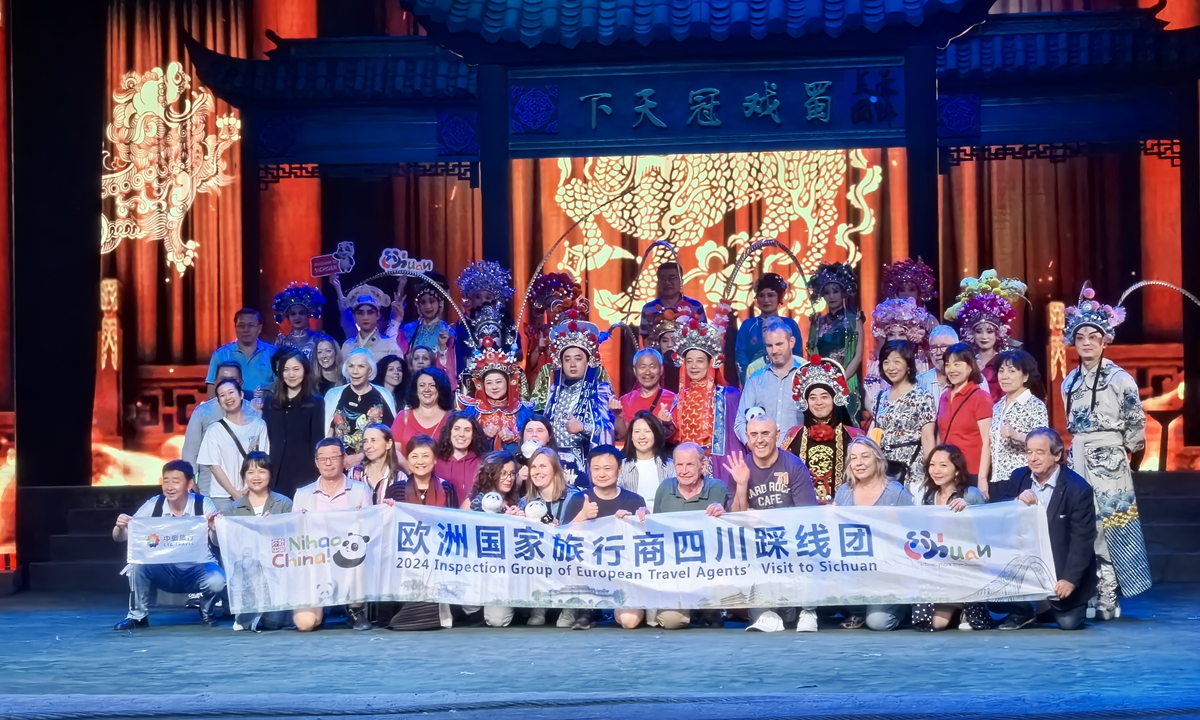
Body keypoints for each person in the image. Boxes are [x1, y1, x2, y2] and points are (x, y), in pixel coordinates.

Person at [1059, 285, 1152, 617]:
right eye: (1080, 336)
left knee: (1110, 523)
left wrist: (1124, 451)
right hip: (1078, 454)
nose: (1086, 342)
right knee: (1081, 523)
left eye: (1093, 337)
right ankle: (1089, 589)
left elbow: (1134, 420)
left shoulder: (1120, 378)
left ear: (1104, 340)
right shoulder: (1068, 380)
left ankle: (1110, 592)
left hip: (1109, 455)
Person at [994, 428, 1097, 631]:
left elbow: (1082, 540)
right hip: (1024, 561)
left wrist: (1070, 579)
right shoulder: (1019, 477)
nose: (1033, 458)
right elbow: (999, 509)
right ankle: (1024, 610)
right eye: (1029, 452)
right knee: (989, 596)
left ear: (1057, 455)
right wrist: (1016, 501)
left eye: (1040, 452)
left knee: (1069, 624)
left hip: (1059, 568)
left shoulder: (1078, 489)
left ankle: (1048, 606)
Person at [723, 414, 819, 633]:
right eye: (754, 435)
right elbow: (737, 519)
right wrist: (741, 484)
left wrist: (766, 520)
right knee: (763, 615)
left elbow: (807, 516)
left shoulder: (794, 466)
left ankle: (808, 610)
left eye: (765, 433)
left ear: (777, 435)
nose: (760, 440)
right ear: (747, 438)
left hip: (791, 542)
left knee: (810, 545)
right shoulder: (741, 467)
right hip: (757, 546)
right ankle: (774, 612)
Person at [112, 460, 223, 631]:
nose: (170, 486)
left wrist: (214, 528)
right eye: (166, 480)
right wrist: (120, 527)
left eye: (176, 481)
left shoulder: (203, 504)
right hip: (164, 569)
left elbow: (216, 542)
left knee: (218, 581)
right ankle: (138, 616)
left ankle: (207, 610)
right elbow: (121, 536)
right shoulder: (154, 504)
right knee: (136, 565)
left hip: (197, 569)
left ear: (190, 483)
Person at [632, 442, 728, 630]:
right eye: (679, 465)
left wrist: (725, 513)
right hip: (674, 571)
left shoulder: (718, 489)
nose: (683, 471)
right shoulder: (665, 488)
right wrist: (644, 517)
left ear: (703, 464)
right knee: (671, 621)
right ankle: (693, 611)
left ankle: (708, 609)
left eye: (690, 465)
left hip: (708, 568)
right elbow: (656, 531)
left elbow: (732, 532)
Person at [292, 437, 374, 632]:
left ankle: (355, 610)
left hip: (349, 559)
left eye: (334, 457)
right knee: (305, 624)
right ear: (316, 462)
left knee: (360, 555)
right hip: (315, 563)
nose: (328, 463)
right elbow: (294, 537)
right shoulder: (303, 494)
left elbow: (371, 528)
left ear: (344, 459)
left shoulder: (360, 490)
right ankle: (320, 609)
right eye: (323, 458)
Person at [833, 437, 913, 631]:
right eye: (853, 458)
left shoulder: (896, 492)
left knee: (878, 623)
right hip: (855, 569)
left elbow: (913, 535)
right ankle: (859, 610)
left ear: (877, 459)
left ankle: (905, 609)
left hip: (890, 574)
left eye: (864, 456)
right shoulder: (844, 492)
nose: (858, 463)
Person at [910, 445, 991, 632]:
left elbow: (987, 530)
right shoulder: (928, 496)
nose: (936, 470)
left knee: (973, 624)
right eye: (932, 465)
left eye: (943, 465)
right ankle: (956, 607)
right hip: (937, 568)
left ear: (956, 469)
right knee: (934, 624)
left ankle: (966, 607)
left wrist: (971, 511)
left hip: (966, 566)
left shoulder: (971, 494)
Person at [535, 314, 616, 489]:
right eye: (567, 359)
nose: (572, 364)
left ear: (588, 362)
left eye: (578, 359)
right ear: (561, 363)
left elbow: (608, 431)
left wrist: (583, 428)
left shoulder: (599, 392)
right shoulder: (553, 393)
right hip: (554, 465)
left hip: (583, 465)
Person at [571, 445, 647, 630]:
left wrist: (643, 521)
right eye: (596, 469)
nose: (602, 474)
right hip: (588, 574)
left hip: (625, 576)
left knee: (629, 621)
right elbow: (561, 540)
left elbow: (645, 543)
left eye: (607, 468)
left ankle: (620, 610)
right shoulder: (578, 499)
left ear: (619, 470)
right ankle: (591, 611)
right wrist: (582, 516)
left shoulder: (635, 500)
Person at [668, 303, 744, 488]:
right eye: (689, 361)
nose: (694, 366)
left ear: (711, 363)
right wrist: (664, 423)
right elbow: (672, 437)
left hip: (719, 465)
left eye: (700, 361)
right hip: (686, 468)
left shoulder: (729, 396)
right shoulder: (679, 398)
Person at [224, 451, 293, 632]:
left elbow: (293, 538)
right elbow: (223, 544)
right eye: (250, 472)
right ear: (244, 476)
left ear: (270, 474)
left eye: (262, 471)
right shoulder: (233, 509)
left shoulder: (284, 504)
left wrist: (275, 527)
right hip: (248, 577)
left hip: (277, 573)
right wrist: (215, 529)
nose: (256, 477)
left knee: (273, 623)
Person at [521, 447, 586, 628]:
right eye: (534, 467)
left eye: (543, 466)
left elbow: (583, 532)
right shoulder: (525, 502)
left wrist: (561, 530)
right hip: (540, 556)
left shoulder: (575, 496)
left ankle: (570, 607)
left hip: (569, 554)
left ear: (555, 469)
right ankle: (539, 605)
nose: (537, 471)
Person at [785, 355, 863, 503]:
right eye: (813, 397)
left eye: (824, 396)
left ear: (834, 399)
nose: (818, 402)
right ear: (806, 402)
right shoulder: (794, 436)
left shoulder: (853, 436)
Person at [943, 270, 1027, 404]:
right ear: (971, 333)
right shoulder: (967, 360)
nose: (984, 336)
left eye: (989, 331)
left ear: (998, 333)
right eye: (978, 331)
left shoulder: (1006, 361)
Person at [867, 340, 936, 497]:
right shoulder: (879, 397)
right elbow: (874, 435)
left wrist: (931, 471)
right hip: (884, 470)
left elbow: (928, 438)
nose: (891, 367)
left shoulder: (922, 396)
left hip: (913, 469)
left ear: (908, 364)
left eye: (897, 361)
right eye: (886, 362)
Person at [462, 451, 523, 627]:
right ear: (491, 474)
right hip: (477, 569)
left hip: (505, 574)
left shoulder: (517, 501)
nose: (508, 478)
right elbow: (461, 533)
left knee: (498, 620)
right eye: (503, 473)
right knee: (469, 607)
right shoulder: (474, 501)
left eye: (512, 473)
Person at [458, 313, 533, 454]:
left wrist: (515, 437)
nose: (494, 386)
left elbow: (534, 438)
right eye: (489, 383)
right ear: (482, 385)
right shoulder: (473, 411)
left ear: (509, 383)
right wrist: (481, 434)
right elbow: (459, 438)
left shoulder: (521, 410)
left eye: (499, 382)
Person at [183, 362, 259, 499]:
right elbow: (191, 448)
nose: (228, 383)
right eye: (223, 379)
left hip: (248, 487)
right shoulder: (203, 412)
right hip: (212, 489)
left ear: (241, 383)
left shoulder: (254, 412)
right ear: (215, 382)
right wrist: (190, 477)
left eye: (233, 380)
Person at [197, 378, 271, 513]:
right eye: (222, 395)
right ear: (219, 401)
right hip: (222, 497)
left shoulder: (258, 425)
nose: (227, 398)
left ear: (241, 394)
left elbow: (263, 461)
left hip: (254, 492)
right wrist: (235, 492)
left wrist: (252, 488)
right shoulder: (214, 430)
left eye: (231, 392)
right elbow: (214, 466)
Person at [262, 348, 325, 498]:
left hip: (304, 472)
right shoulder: (271, 403)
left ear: (305, 370)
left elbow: (317, 440)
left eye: (296, 369)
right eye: (286, 370)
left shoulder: (315, 402)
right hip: (275, 471)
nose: (291, 375)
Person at [805, 262, 865, 421]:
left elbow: (858, 355)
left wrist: (840, 380)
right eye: (827, 292)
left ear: (844, 293)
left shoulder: (853, 319)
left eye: (835, 291)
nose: (831, 296)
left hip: (846, 381)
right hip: (821, 383)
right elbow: (812, 355)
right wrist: (823, 382)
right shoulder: (817, 322)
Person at [989, 349, 1049, 502]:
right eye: (1001, 371)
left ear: (1025, 376)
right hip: (996, 478)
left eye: (1012, 371)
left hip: (1022, 478)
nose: (1004, 376)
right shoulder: (997, 406)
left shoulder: (1035, 405)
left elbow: (1044, 442)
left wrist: (1017, 435)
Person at [735, 317, 803, 445]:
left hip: (797, 455)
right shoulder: (755, 379)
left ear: (791, 342)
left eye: (779, 344)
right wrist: (752, 446)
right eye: (769, 346)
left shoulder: (805, 375)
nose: (774, 351)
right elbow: (740, 421)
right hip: (763, 458)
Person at [936, 343, 992, 495]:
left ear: (969, 366)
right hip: (948, 472)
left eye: (957, 364)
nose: (951, 370)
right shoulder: (944, 397)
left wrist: (982, 478)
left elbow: (987, 441)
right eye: (948, 365)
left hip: (971, 473)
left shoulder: (981, 397)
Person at [324, 348, 398, 462]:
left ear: (370, 370)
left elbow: (389, 435)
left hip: (374, 462)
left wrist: (360, 456)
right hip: (339, 462)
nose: (355, 371)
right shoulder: (333, 395)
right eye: (351, 366)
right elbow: (328, 433)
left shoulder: (383, 395)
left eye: (361, 366)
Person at [734, 273, 803, 383]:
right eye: (761, 295)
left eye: (771, 295)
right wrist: (749, 382)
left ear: (779, 297)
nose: (766, 300)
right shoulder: (748, 325)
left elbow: (797, 357)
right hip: (756, 382)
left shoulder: (790, 325)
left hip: (787, 381)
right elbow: (741, 358)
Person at [862, 297, 933, 403]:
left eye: (901, 334)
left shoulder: (921, 363)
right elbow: (870, 400)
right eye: (891, 334)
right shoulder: (877, 365)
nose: (896, 339)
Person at [454, 260, 519, 373]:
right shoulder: (463, 324)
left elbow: (518, 352)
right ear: (471, 300)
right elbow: (459, 356)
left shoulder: (506, 322)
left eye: (488, 297)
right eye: (478, 297)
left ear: (495, 300)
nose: (483, 301)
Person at [397, 276, 457, 387]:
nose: (428, 306)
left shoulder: (448, 334)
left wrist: (443, 346)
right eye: (423, 302)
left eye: (432, 301)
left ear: (439, 303)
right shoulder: (408, 330)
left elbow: (450, 369)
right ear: (418, 305)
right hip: (410, 384)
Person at [205, 308, 276, 399]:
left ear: (259, 328)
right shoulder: (221, 355)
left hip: (265, 409)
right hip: (229, 410)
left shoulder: (273, 353)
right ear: (235, 327)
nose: (246, 330)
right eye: (241, 326)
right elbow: (212, 389)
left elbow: (280, 386)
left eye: (251, 325)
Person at [639, 261, 706, 349]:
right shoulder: (648, 309)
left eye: (672, 278)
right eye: (663, 278)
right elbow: (646, 340)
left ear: (681, 281)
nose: (667, 282)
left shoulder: (696, 306)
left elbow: (704, 336)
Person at [614, 348, 676, 442]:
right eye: (642, 367)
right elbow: (624, 435)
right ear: (635, 371)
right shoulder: (625, 400)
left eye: (652, 367)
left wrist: (667, 423)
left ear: (661, 369)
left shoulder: (673, 399)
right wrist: (617, 415)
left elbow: (675, 437)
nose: (647, 372)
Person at [618, 411, 675, 511]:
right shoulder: (620, 467)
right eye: (637, 431)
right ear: (631, 437)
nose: (642, 436)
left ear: (656, 435)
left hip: (663, 521)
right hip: (632, 521)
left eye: (647, 431)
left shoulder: (671, 466)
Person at [392, 367, 453, 458]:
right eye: (422, 385)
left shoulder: (451, 419)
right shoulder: (403, 417)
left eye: (432, 385)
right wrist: (411, 471)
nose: (427, 389)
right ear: (416, 391)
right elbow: (395, 452)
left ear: (440, 390)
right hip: (407, 471)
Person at [385, 434, 459, 508]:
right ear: (408, 460)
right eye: (414, 456)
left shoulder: (447, 488)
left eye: (425, 456)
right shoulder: (395, 490)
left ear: (435, 459)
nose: (420, 462)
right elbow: (387, 518)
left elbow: (453, 518)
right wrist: (387, 508)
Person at [339, 288, 403, 364]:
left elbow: (398, 371)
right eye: (360, 313)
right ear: (354, 317)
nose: (365, 317)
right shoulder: (348, 346)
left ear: (378, 315)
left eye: (370, 312)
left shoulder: (389, 345)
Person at [434, 412, 485, 502]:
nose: (461, 434)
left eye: (467, 430)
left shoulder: (482, 464)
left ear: (473, 435)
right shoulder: (435, 462)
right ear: (449, 432)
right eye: (457, 429)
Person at [348, 423, 404, 504]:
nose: (368, 446)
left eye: (373, 440)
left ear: (388, 444)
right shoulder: (354, 474)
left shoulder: (399, 478)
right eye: (365, 441)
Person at [916, 325, 974, 400]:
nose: (939, 352)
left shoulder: (974, 378)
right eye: (934, 348)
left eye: (944, 347)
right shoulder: (920, 381)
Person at [272, 282, 327, 360]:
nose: (297, 317)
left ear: (309, 314)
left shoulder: (319, 340)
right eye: (293, 314)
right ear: (288, 316)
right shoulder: (281, 342)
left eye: (301, 313)